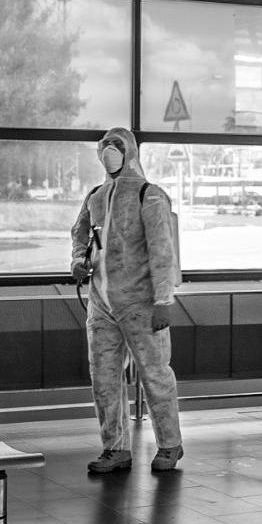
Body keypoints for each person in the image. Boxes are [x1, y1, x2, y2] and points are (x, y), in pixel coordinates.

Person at [69, 127, 184, 473]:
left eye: (116, 146)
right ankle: (114, 448)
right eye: (104, 146)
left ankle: (169, 444)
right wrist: (78, 261)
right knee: (103, 376)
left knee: (154, 373)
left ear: (131, 150)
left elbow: (162, 250)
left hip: (142, 302)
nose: (109, 152)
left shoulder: (149, 196)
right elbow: (80, 233)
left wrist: (164, 299)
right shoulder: (96, 197)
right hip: (101, 303)